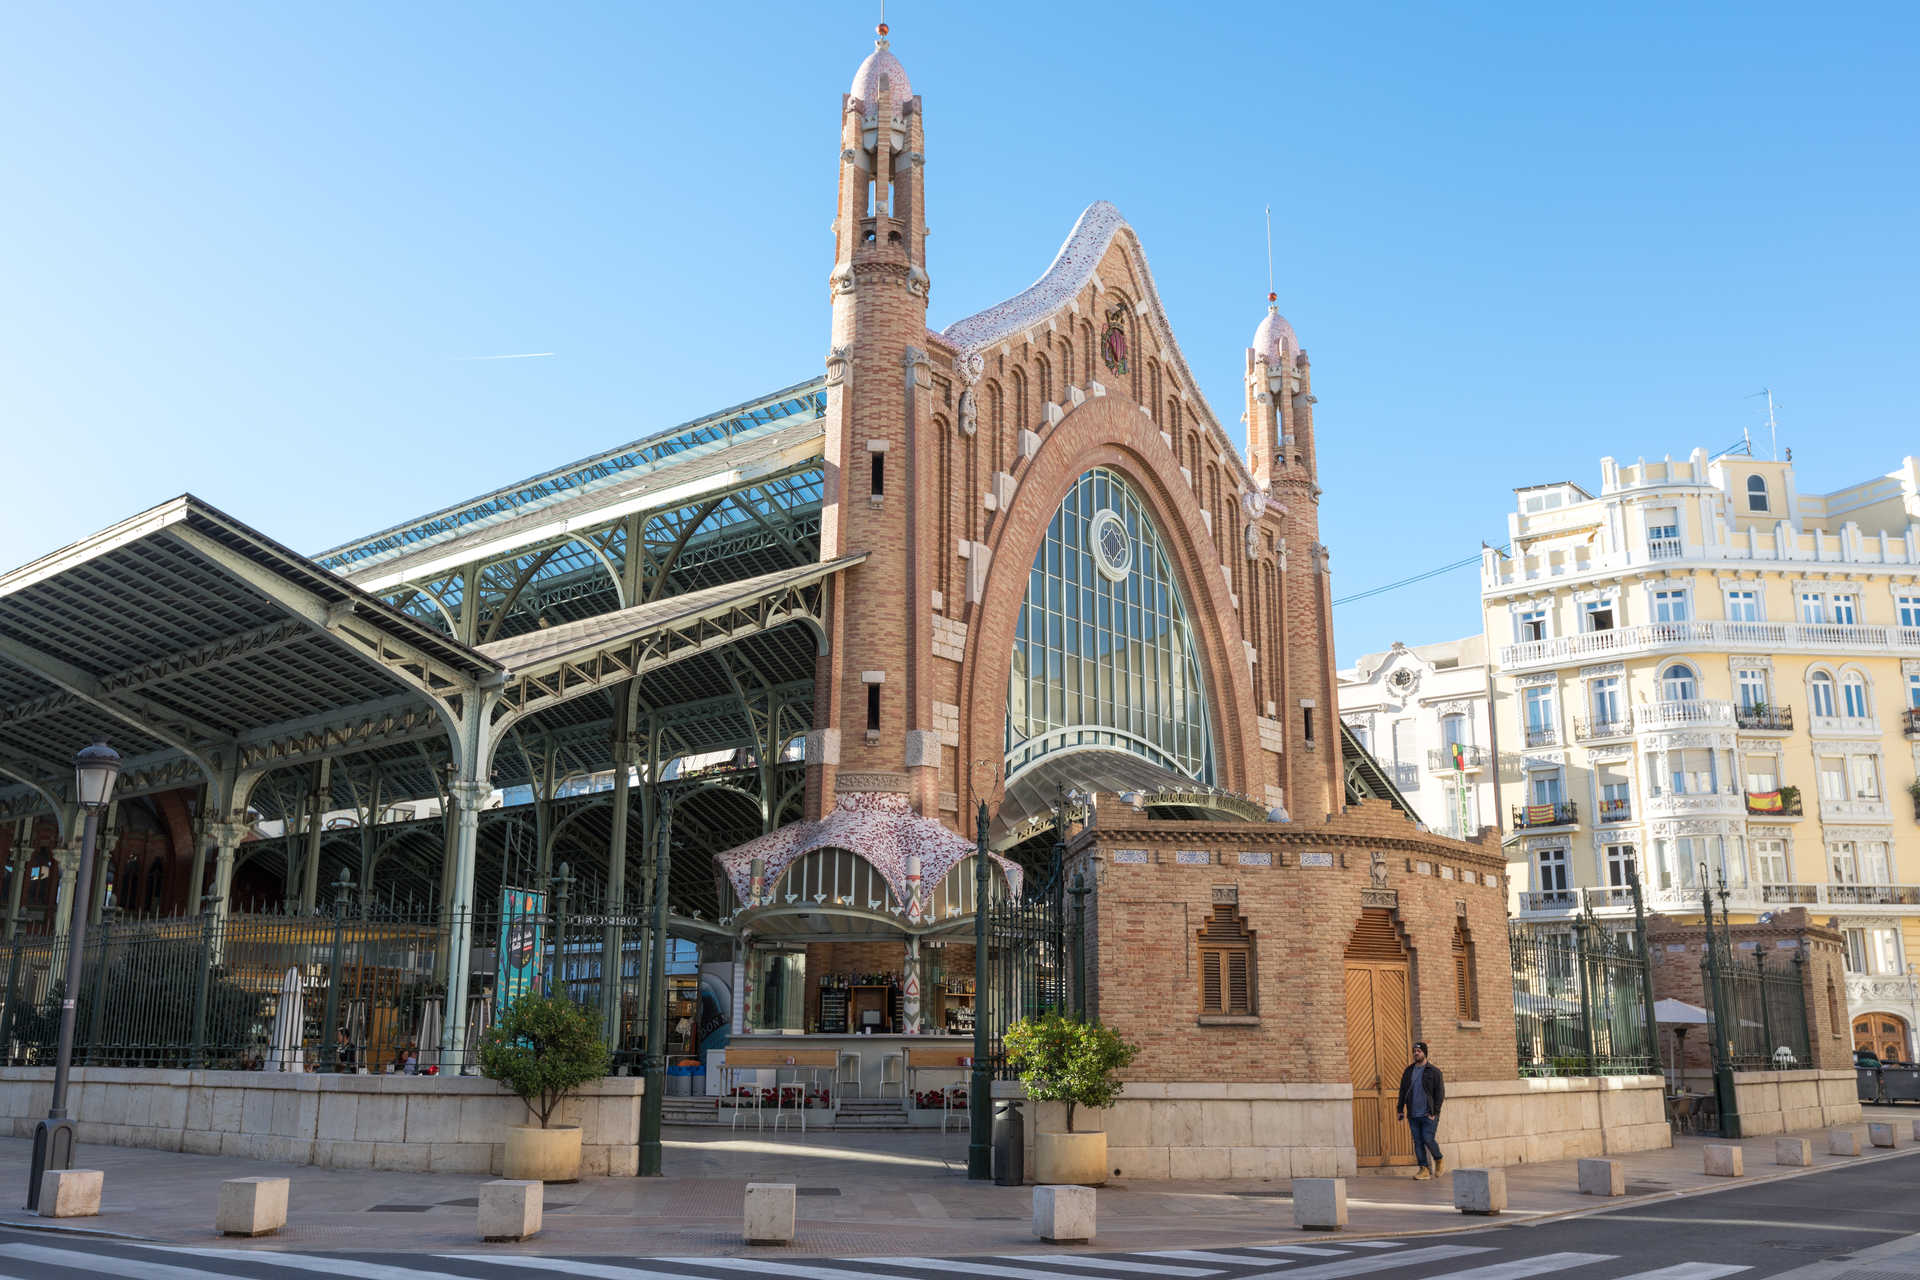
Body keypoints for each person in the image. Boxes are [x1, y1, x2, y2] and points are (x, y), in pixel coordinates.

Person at [1395, 1040, 1445, 1179]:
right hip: (1413, 1113)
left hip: (1428, 1114)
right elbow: (1403, 1091)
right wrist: (1400, 1109)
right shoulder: (1408, 1071)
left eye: (1418, 1051)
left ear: (1424, 1053)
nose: (1416, 1053)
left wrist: (1434, 1112)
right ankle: (1424, 1169)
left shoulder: (1434, 1072)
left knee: (1428, 1139)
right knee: (1418, 1141)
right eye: (1414, 1051)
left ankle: (1438, 1159)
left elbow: (1440, 1094)